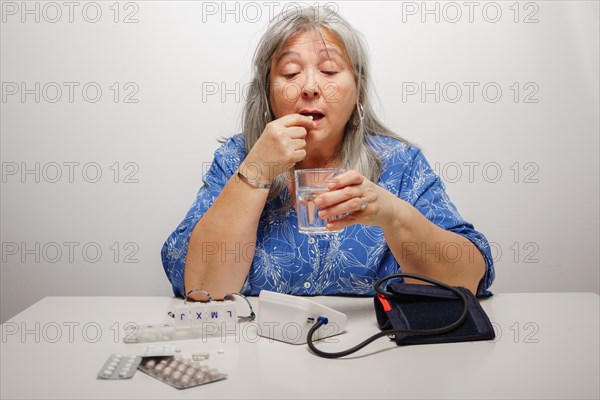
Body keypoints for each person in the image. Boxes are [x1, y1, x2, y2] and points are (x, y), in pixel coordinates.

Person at [161, 5, 494, 301]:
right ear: (267, 93)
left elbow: (467, 279)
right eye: (291, 73)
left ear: (358, 90)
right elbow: (200, 286)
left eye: (330, 71)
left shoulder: (399, 163)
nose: (309, 86)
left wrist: (392, 215)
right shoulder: (237, 158)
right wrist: (257, 170)